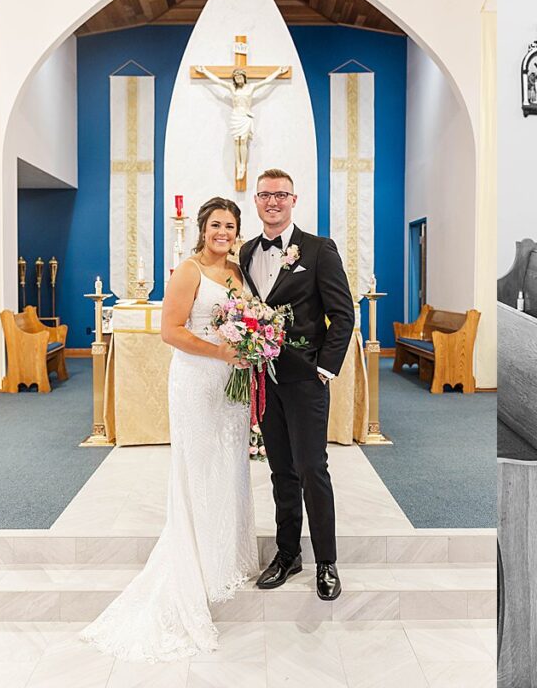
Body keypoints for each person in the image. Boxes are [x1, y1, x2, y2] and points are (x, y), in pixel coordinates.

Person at [81, 197, 258, 661]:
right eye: (217, 224)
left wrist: (252, 343)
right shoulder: (189, 271)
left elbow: (248, 322)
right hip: (198, 380)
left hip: (231, 386)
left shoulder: (238, 273)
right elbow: (171, 331)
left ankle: (223, 557)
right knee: (198, 468)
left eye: (231, 225)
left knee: (229, 466)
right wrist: (222, 352)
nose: (223, 232)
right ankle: (193, 564)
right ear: (203, 227)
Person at [239, 168, 355, 602]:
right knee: (280, 471)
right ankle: (288, 555)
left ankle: (327, 561)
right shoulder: (247, 251)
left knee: (312, 468)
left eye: (281, 195)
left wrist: (325, 368)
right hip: (264, 380)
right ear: (256, 201)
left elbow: (343, 314)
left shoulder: (319, 249)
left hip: (305, 378)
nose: (273, 202)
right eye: (265, 195)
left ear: (294, 199)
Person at [195, 65, 289, 190]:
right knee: (236, 142)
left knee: (243, 141)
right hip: (235, 116)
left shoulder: (251, 88)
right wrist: (205, 71)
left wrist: (278, 72)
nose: (238, 79)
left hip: (245, 116)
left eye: (240, 77)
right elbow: (217, 81)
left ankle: (242, 165)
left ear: (244, 78)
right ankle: (238, 165)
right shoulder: (232, 89)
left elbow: (266, 81)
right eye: (236, 77)